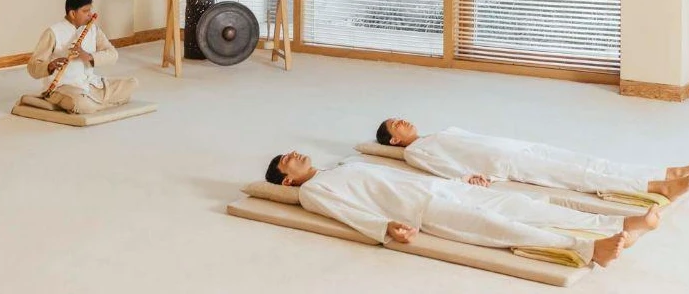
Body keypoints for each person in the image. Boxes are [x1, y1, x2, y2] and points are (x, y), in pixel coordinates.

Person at [265, 151, 660, 267]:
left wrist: (457, 181)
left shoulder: (345, 165)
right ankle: (589, 248)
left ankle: (618, 222)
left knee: (522, 204)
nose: (294, 155)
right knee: (496, 225)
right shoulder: (313, 192)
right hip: (422, 209)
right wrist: (386, 228)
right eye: (287, 161)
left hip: (440, 190)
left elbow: (404, 177)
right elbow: (347, 213)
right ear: (287, 180)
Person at [376, 119, 689, 199]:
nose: (403, 121)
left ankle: (673, 170)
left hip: (518, 148)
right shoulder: (416, 151)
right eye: (397, 124)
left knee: (589, 161)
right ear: (394, 139)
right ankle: (656, 186)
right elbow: (442, 168)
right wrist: (468, 179)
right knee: (580, 176)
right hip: (509, 165)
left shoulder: (441, 131)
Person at [19, 0, 137, 114]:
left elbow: (113, 55)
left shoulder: (94, 30)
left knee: (132, 83)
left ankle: (91, 104)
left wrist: (89, 56)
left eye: (90, 11)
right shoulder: (53, 32)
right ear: (73, 13)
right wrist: (49, 66)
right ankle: (100, 103)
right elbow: (32, 67)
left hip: (89, 85)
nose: (90, 15)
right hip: (63, 88)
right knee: (81, 104)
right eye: (86, 11)